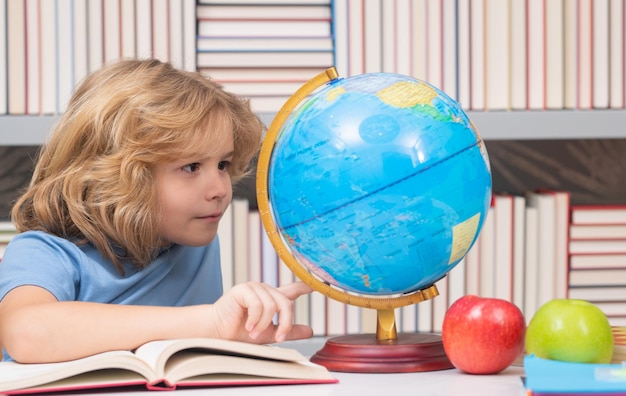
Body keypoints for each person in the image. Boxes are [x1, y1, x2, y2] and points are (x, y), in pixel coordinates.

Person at [0, 59, 313, 364]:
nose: (220, 188)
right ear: (115, 176)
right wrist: (211, 322)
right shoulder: (43, 252)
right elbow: (26, 332)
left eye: (223, 164)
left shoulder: (193, 241)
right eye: (191, 167)